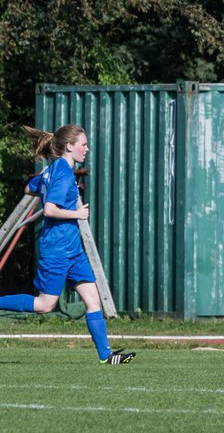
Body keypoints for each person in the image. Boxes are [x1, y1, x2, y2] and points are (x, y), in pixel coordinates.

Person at [0, 125, 135, 364]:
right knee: (45, 305)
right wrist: (76, 214)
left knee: (93, 300)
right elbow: (50, 210)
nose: (87, 148)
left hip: (73, 251)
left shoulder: (54, 170)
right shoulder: (62, 173)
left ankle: (107, 355)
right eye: (83, 144)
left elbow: (29, 188)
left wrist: (47, 188)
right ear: (70, 146)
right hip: (57, 250)